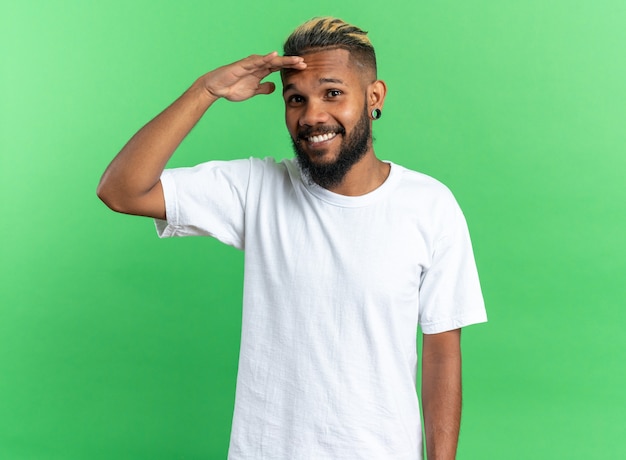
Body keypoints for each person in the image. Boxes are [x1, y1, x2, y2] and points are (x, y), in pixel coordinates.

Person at [97, 17, 487, 460]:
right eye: (295, 99)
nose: (312, 115)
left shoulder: (430, 206)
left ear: (374, 96)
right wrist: (205, 90)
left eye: (333, 93)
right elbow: (121, 190)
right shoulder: (257, 188)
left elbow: (441, 355)